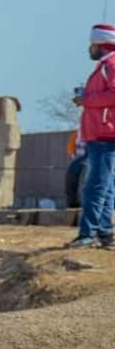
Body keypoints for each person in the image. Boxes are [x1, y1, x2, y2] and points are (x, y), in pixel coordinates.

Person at [70, 23, 115, 248]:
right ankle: (104, 233)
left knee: (95, 187)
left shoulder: (111, 64)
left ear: (100, 44)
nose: (89, 49)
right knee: (105, 187)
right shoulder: (105, 65)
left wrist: (87, 100)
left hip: (106, 135)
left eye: (92, 44)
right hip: (100, 134)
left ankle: (89, 234)